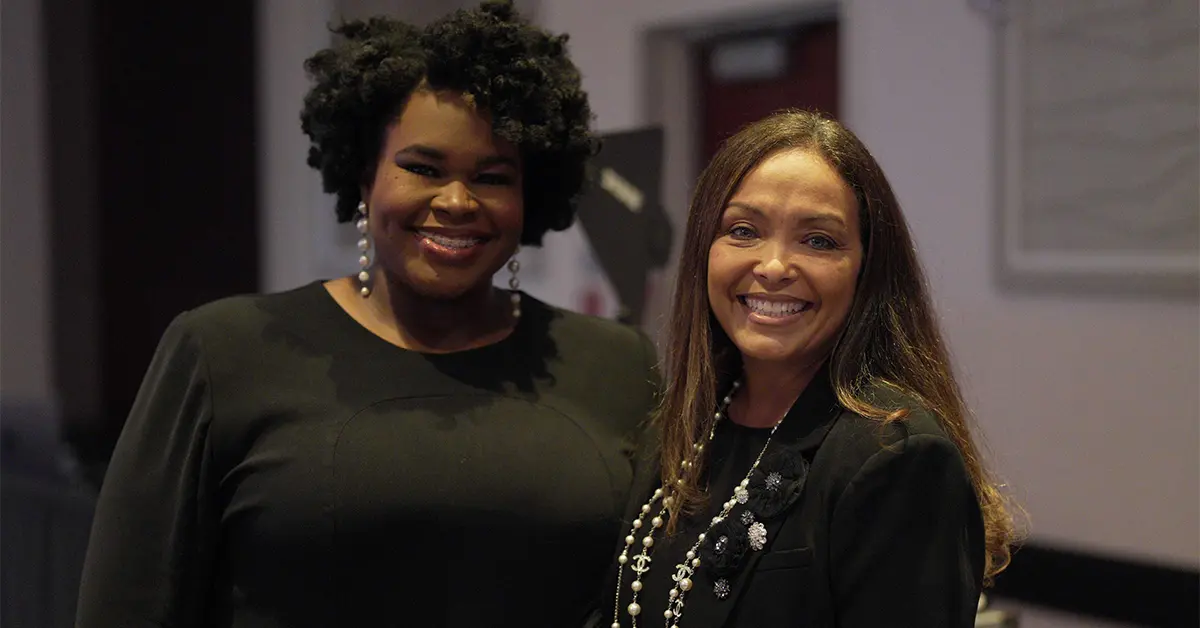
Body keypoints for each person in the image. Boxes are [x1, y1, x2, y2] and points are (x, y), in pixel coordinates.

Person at [76, 2, 659, 626]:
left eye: (492, 177)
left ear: (529, 195)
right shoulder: (223, 352)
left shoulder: (616, 364)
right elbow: (129, 602)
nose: (457, 201)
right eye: (422, 168)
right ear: (364, 177)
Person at [600, 110, 1019, 628]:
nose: (774, 267)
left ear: (866, 269)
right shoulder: (683, 424)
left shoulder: (897, 457)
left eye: (818, 240)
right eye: (743, 230)